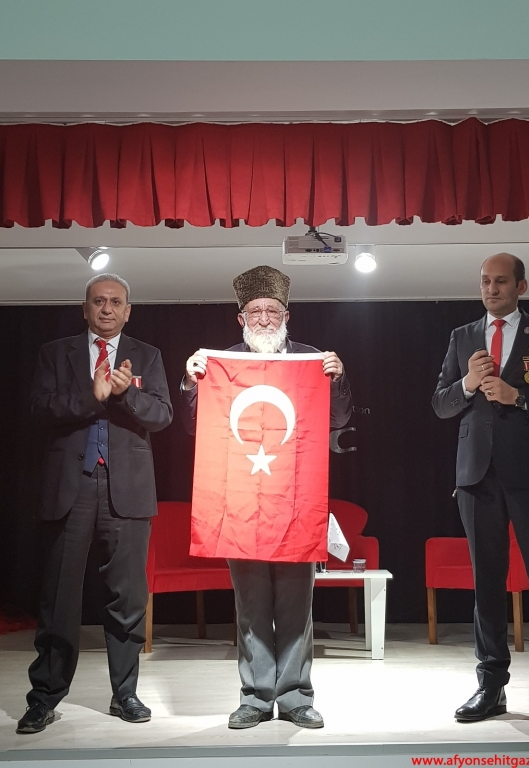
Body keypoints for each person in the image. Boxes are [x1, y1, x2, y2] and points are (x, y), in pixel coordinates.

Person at [180, 265, 352, 729]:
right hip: (241, 504)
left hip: (295, 503)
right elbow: (196, 426)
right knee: (251, 606)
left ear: (286, 316)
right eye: (254, 311)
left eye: (272, 311)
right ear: (241, 318)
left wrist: (337, 379)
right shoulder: (222, 363)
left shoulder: (312, 359)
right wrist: (191, 383)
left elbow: (338, 420)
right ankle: (256, 697)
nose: (263, 319)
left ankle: (295, 697)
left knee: (296, 606)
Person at [16, 274, 173, 734]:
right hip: (71, 487)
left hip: (128, 490)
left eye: (116, 302)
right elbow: (38, 409)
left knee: (127, 599)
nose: (107, 309)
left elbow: (162, 415)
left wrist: (126, 394)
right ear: (84, 309)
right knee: (58, 599)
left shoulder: (147, 355)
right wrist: (92, 396)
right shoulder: (55, 353)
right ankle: (44, 698)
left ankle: (125, 694)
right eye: (98, 301)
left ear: (128, 311)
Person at [432, 253, 529, 723]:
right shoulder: (462, 336)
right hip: (476, 476)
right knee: (487, 583)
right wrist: (468, 383)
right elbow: (441, 404)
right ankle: (491, 686)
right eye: (485, 281)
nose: (491, 289)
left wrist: (518, 396)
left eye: (501, 281)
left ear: (520, 287)